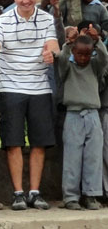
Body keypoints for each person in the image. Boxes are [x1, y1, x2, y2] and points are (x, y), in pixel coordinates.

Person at [0, 0, 60, 210]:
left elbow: (54, 46)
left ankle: (35, 193)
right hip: (11, 88)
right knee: (13, 142)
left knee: (39, 142)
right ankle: (18, 193)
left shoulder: (47, 19)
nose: (26, 0)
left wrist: (52, 55)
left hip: (40, 88)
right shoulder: (1, 21)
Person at [57, 30, 108, 210]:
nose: (84, 58)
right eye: (80, 54)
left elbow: (103, 59)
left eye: (88, 54)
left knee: (93, 157)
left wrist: (97, 40)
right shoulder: (67, 67)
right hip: (73, 115)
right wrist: (67, 43)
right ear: (73, 51)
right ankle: (70, 196)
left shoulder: (95, 67)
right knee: (72, 157)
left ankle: (91, 195)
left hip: (93, 115)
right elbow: (62, 59)